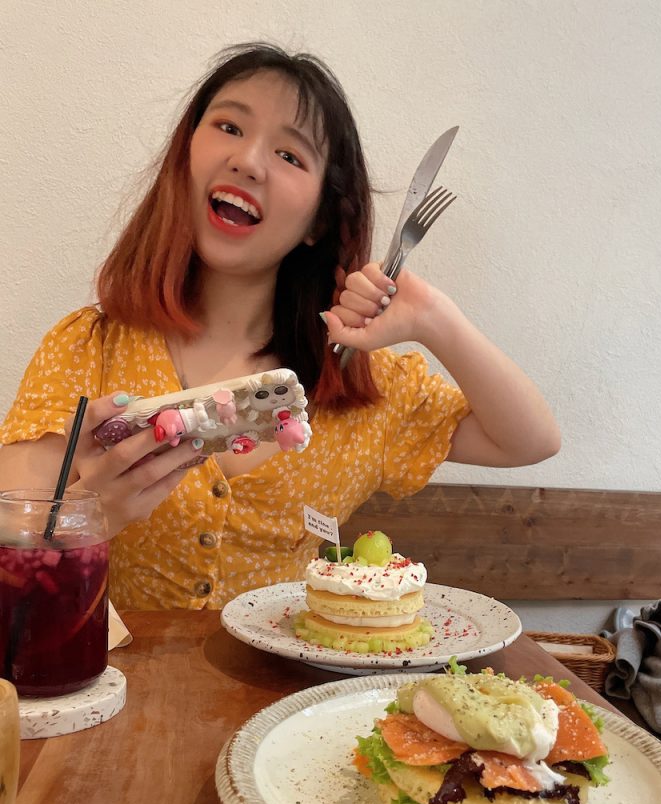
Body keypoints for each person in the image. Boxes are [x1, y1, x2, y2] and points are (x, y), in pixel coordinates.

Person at [0, 43, 560, 610]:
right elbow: (9, 524)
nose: (248, 161)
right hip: (102, 666)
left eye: (290, 155)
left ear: (319, 220)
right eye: (229, 127)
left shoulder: (364, 385)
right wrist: (88, 517)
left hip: (296, 671)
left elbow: (530, 440)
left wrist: (434, 318)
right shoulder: (91, 348)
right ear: (185, 158)